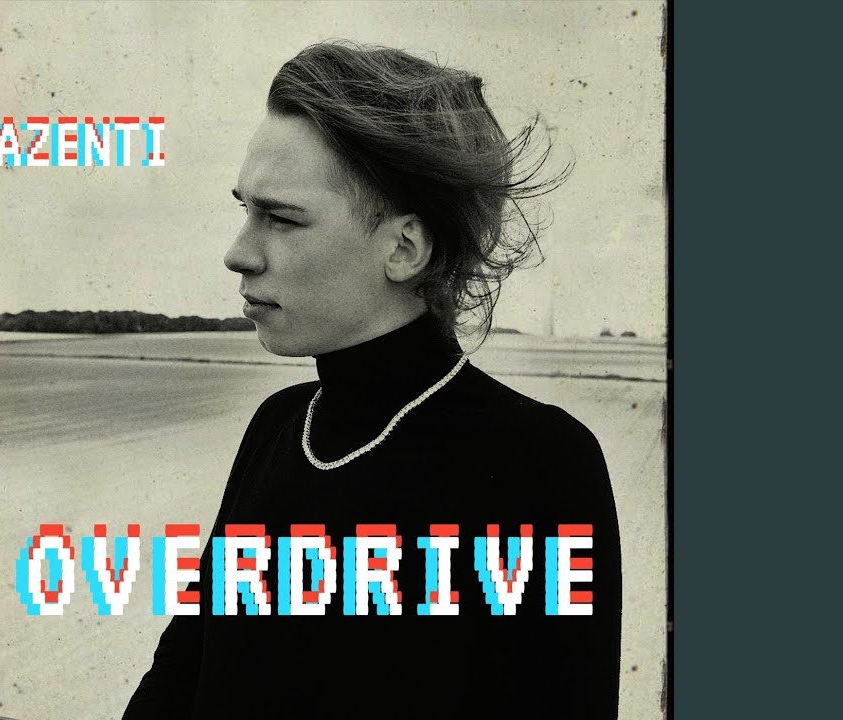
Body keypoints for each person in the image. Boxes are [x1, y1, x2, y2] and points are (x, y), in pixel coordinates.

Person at [123, 41, 620, 718]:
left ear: (404, 248)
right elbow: (181, 673)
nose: (238, 254)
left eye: (281, 218)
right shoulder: (279, 427)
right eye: (245, 211)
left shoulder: (537, 461)